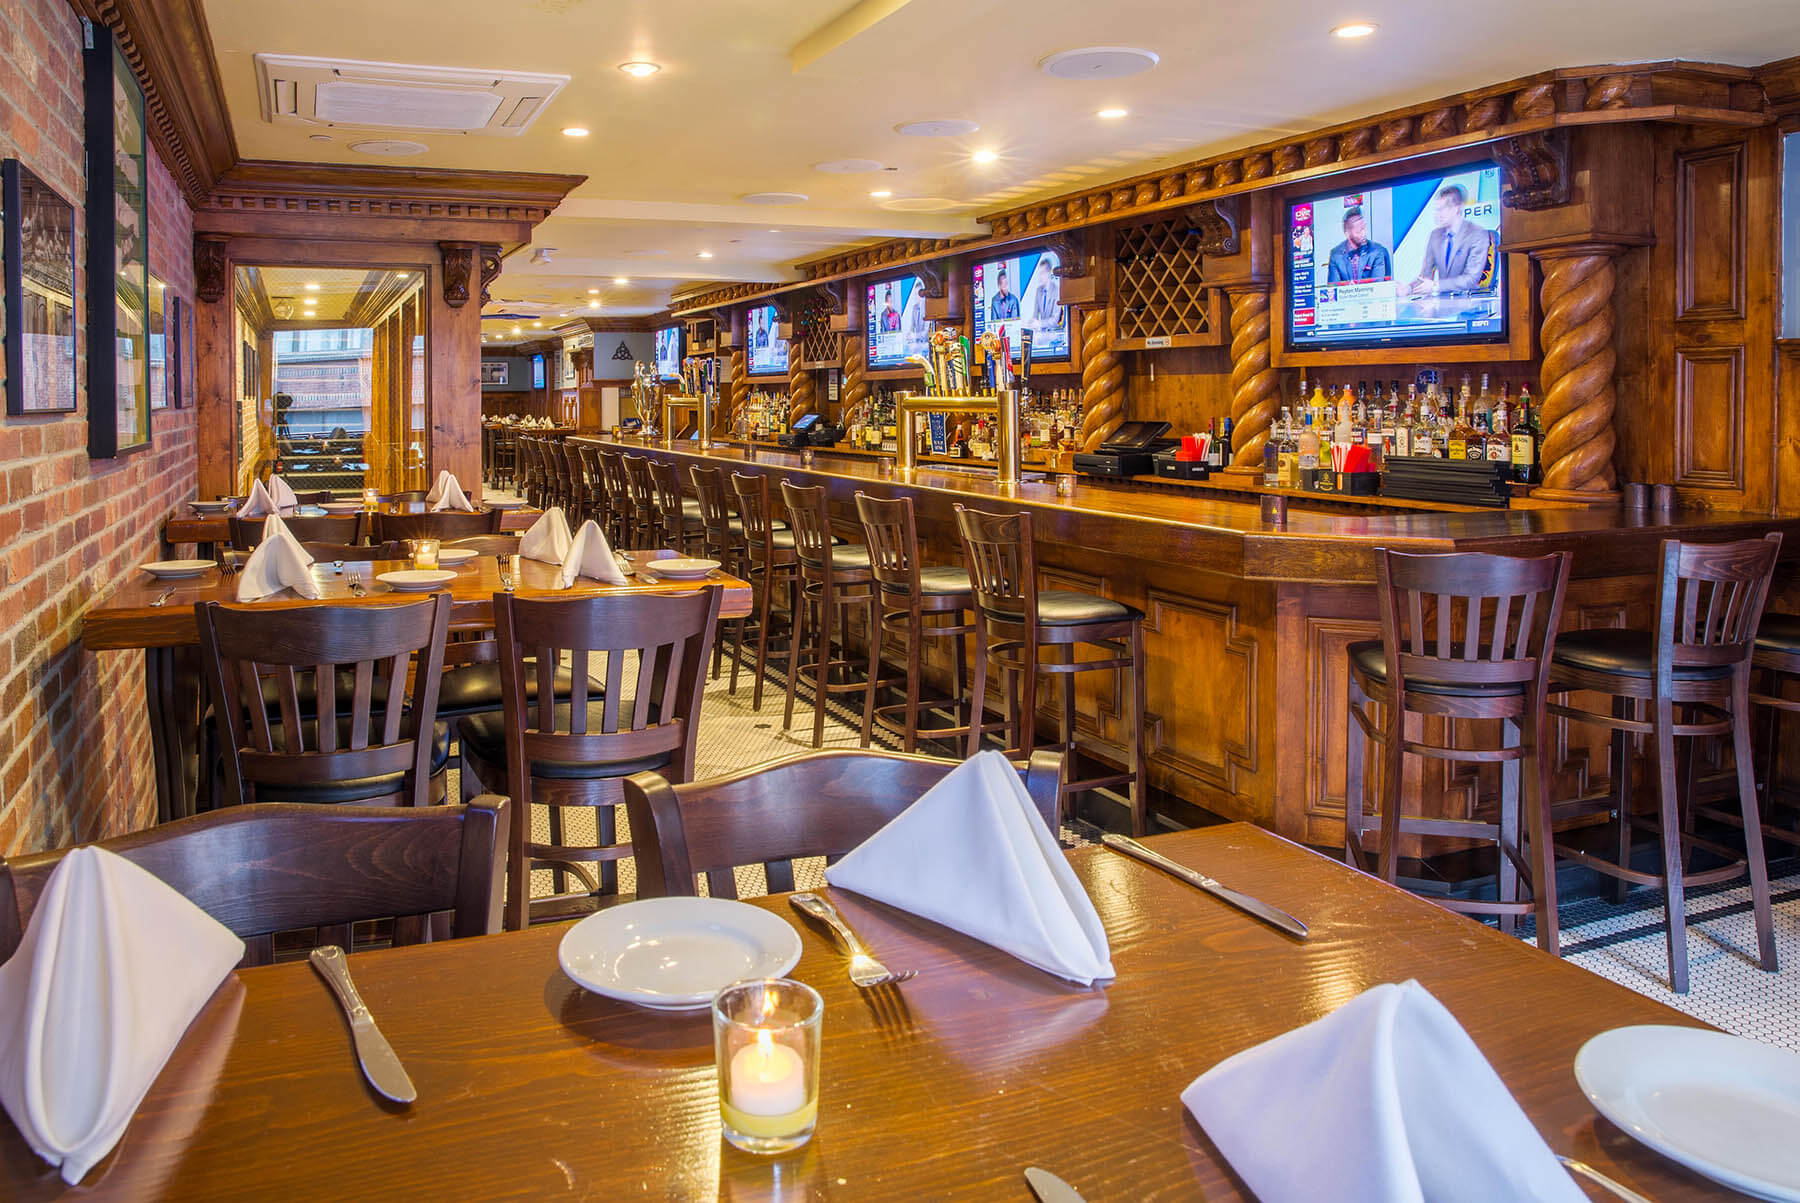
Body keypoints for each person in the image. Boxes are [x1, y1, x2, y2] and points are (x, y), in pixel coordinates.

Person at [1408, 185, 1493, 296]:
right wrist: (1408, 289)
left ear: (1456, 208)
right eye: (1436, 210)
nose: (1437, 214)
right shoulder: (1435, 235)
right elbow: (1425, 276)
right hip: (1442, 302)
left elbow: (1471, 279)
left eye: (1441, 209)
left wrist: (1435, 286)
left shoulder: (1477, 234)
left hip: (1470, 304)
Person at [1325, 206, 1392, 283]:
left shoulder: (1377, 251)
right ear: (1347, 233)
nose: (1363, 234)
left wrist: (1355, 290)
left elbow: (1377, 287)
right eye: (1359, 232)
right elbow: (1333, 290)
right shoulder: (1336, 255)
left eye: (1363, 228)